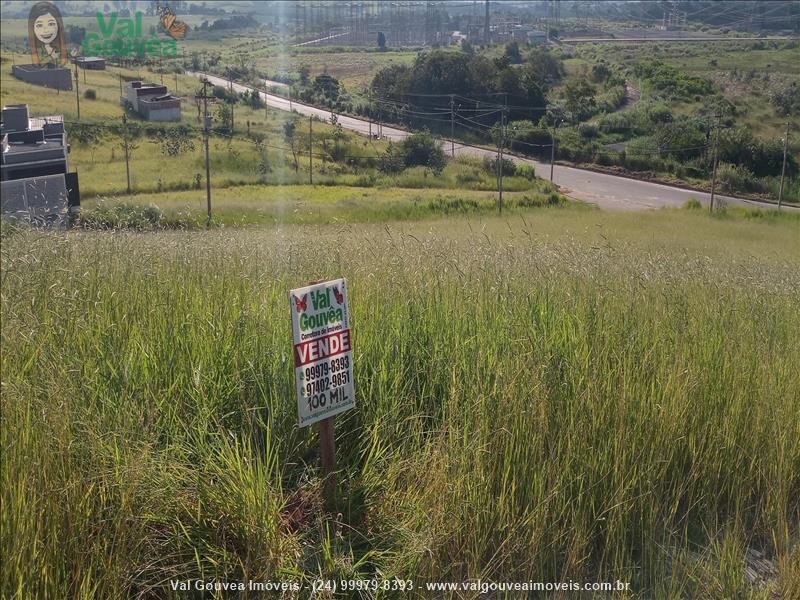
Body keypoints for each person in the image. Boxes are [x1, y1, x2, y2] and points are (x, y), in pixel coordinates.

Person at [28, 2, 67, 67]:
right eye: (39, 25)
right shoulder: (38, 51)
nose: (46, 30)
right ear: (32, 28)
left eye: (51, 24)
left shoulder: (59, 49)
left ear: (58, 25)